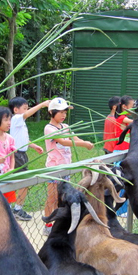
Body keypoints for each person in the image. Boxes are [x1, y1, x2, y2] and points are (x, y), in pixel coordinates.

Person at [43, 97, 94, 235]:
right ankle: (47, 223)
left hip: (66, 168)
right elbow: (64, 142)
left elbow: (75, 138)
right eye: (60, 112)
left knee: (63, 197)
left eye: (65, 112)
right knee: (52, 197)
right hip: (54, 168)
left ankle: (60, 222)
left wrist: (85, 142)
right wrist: (83, 144)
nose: (64, 115)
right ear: (51, 112)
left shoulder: (66, 127)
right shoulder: (49, 128)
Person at [8, 97, 49, 221]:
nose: (27, 111)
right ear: (16, 110)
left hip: (21, 154)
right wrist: (42, 105)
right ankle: (16, 209)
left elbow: (22, 139)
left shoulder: (19, 122)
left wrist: (33, 145)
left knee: (18, 181)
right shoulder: (16, 118)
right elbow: (25, 115)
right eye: (25, 108)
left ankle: (12, 208)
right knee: (23, 182)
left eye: (27, 108)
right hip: (17, 155)